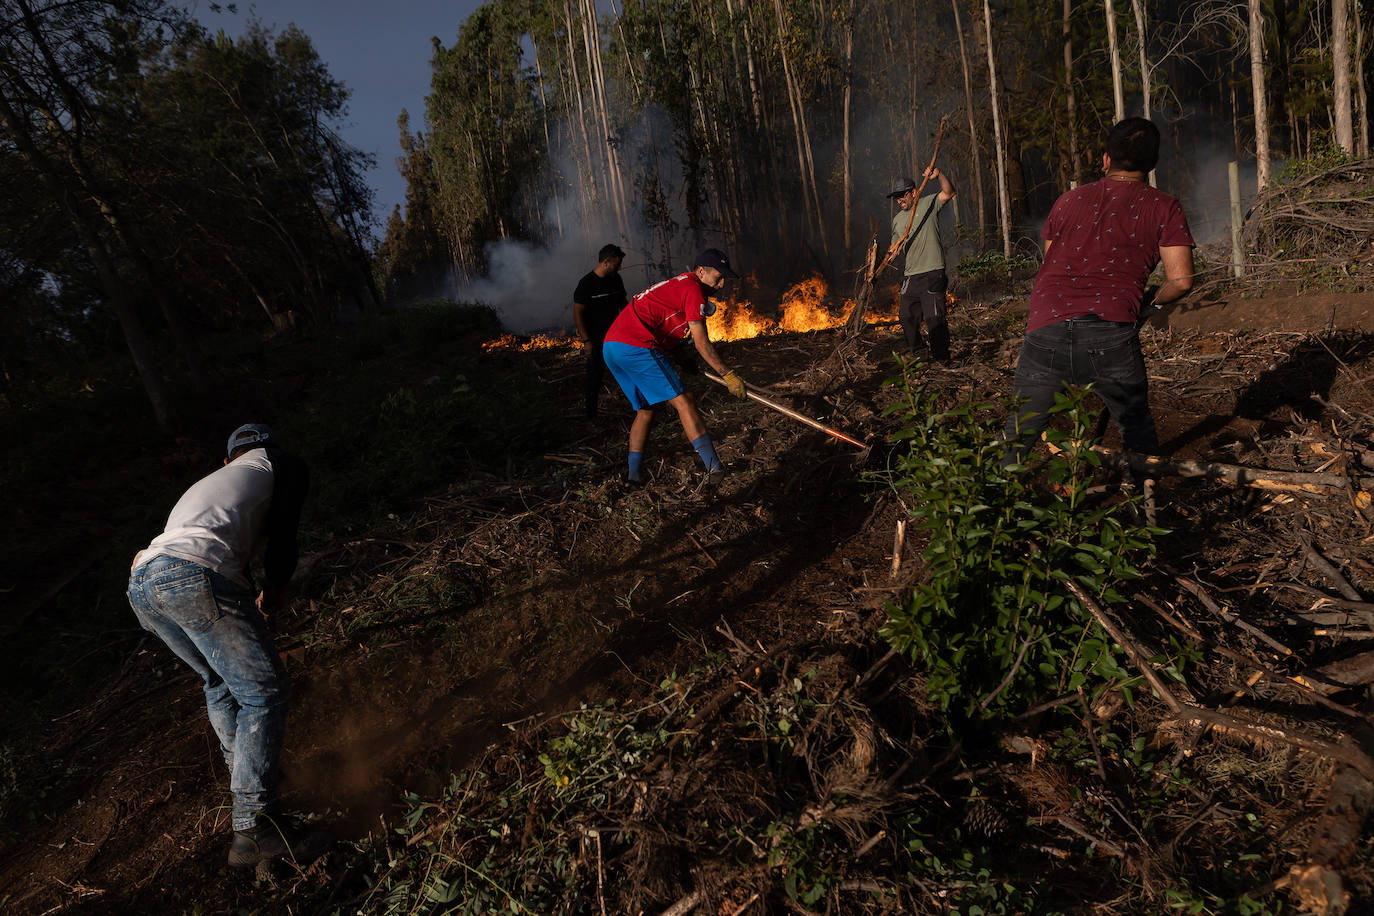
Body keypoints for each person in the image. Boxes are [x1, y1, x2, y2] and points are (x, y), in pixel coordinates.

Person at [126, 423, 320, 868]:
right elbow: (283, 539)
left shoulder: (213, 483)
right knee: (264, 693)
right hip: (192, 575)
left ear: (229, 457)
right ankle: (255, 826)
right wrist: (274, 595)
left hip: (143, 582)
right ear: (268, 448)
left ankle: (254, 784)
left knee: (218, 683)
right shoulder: (279, 464)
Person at [1003, 117, 1195, 468]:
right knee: (1136, 430)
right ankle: (1142, 509)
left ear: (1105, 159)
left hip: (1045, 327)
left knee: (1019, 432)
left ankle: (994, 508)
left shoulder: (1067, 201)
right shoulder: (1164, 206)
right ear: (1153, 163)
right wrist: (1148, 303)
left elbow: (1049, 262)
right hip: (1110, 333)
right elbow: (1180, 281)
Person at [601, 248, 749, 485]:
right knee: (684, 400)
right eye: (718, 277)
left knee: (646, 410)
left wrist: (683, 360)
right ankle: (715, 470)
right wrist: (728, 375)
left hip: (612, 347)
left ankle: (633, 476)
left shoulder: (680, 285)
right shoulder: (693, 290)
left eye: (724, 279)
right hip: (635, 344)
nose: (721, 284)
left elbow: (664, 329)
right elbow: (702, 343)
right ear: (701, 271)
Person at [887, 165, 957, 364]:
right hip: (911, 276)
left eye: (903, 195)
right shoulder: (898, 220)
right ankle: (920, 354)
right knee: (906, 316)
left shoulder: (928, 204)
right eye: (897, 196)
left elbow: (949, 192)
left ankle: (943, 359)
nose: (900, 200)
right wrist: (891, 252)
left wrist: (939, 175)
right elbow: (895, 244)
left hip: (933, 272)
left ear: (914, 192)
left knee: (935, 318)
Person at [573, 243, 629, 419]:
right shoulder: (586, 283)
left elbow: (623, 305)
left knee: (629, 369)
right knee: (595, 376)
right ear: (605, 262)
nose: (619, 267)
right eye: (616, 264)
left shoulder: (616, 280)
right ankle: (591, 416)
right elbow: (578, 313)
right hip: (596, 339)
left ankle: (641, 407)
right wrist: (586, 341)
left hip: (616, 336)